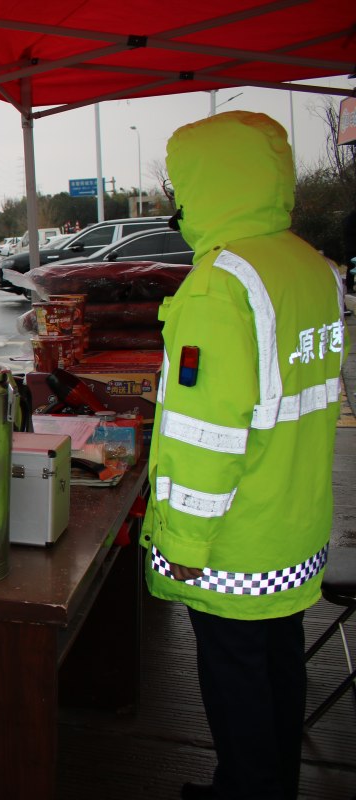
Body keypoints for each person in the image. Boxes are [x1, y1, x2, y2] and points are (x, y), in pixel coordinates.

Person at [142, 111, 347, 800]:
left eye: (179, 185)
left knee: (236, 687)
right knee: (281, 666)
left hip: (233, 543)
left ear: (206, 182)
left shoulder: (219, 285)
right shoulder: (311, 267)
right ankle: (265, 786)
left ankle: (246, 789)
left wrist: (183, 541)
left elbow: (207, 435)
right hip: (293, 526)